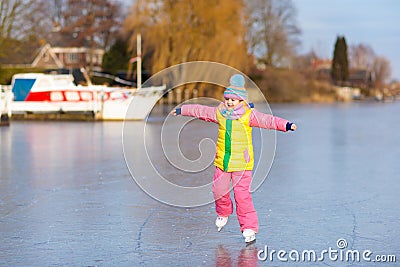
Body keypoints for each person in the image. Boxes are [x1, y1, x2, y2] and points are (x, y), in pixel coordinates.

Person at [171, 74, 297, 244]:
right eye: (228, 99)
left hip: (242, 165)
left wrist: (286, 125)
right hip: (222, 162)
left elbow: (268, 121)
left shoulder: (249, 115)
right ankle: (223, 213)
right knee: (218, 191)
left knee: (242, 197)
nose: (230, 102)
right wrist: (182, 110)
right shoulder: (220, 113)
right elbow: (200, 111)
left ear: (242, 101)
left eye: (234, 100)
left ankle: (249, 228)